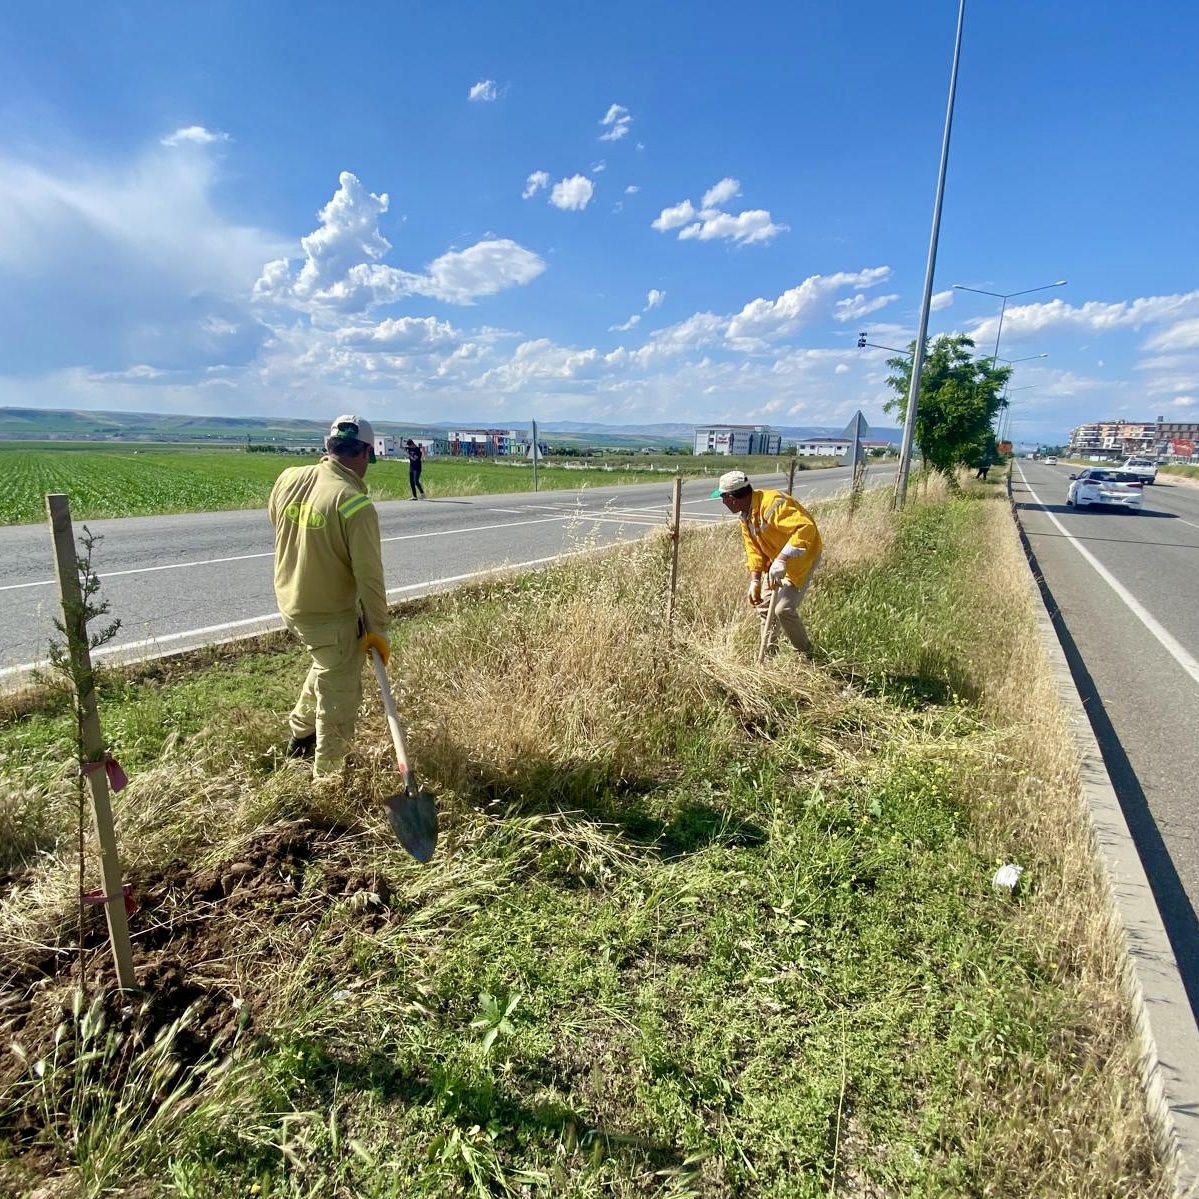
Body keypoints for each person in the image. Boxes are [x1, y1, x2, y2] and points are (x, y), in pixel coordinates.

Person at [269, 415, 391, 778]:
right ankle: (329, 781)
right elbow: (370, 579)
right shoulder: (354, 504)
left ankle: (299, 734)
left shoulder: (289, 478)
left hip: (291, 602)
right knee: (339, 700)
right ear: (366, 453)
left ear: (329, 446)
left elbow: (276, 522)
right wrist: (378, 631)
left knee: (326, 665)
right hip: (328, 615)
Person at [711, 469, 822, 655]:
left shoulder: (772, 504)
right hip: (776, 562)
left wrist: (782, 559)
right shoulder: (746, 516)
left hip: (801, 558)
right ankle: (769, 654)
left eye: (723, 497)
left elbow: (805, 529)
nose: (722, 502)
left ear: (732, 498)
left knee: (783, 609)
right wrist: (755, 580)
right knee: (764, 606)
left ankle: (807, 653)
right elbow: (753, 550)